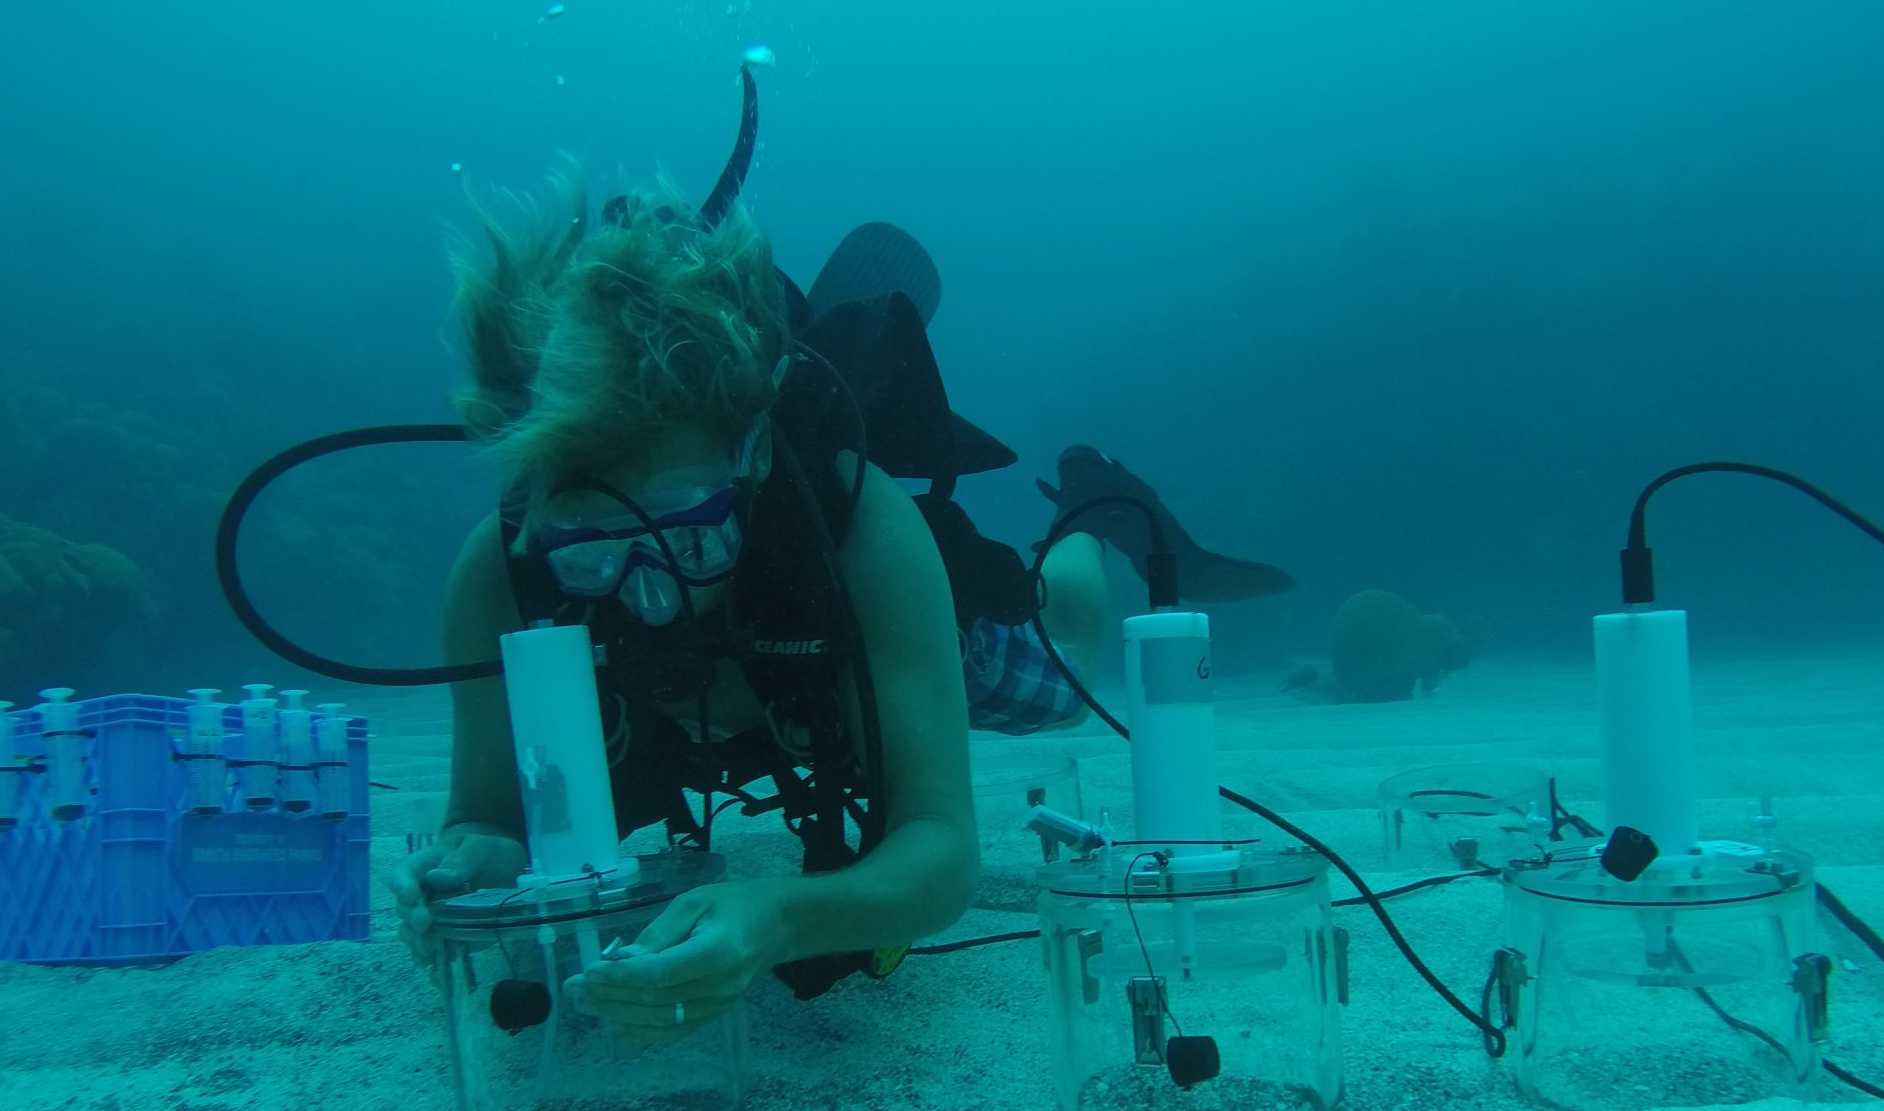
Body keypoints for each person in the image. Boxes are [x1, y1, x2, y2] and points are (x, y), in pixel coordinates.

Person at [389, 159, 1288, 1033]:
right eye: (591, 559)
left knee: (1063, 679)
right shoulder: (501, 567)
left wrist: (785, 917)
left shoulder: (860, 523)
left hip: (841, 628)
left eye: (688, 541)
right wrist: (479, 856)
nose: (652, 601)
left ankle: (1088, 505)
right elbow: (484, 814)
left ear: (751, 459)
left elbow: (940, 853)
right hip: (715, 699)